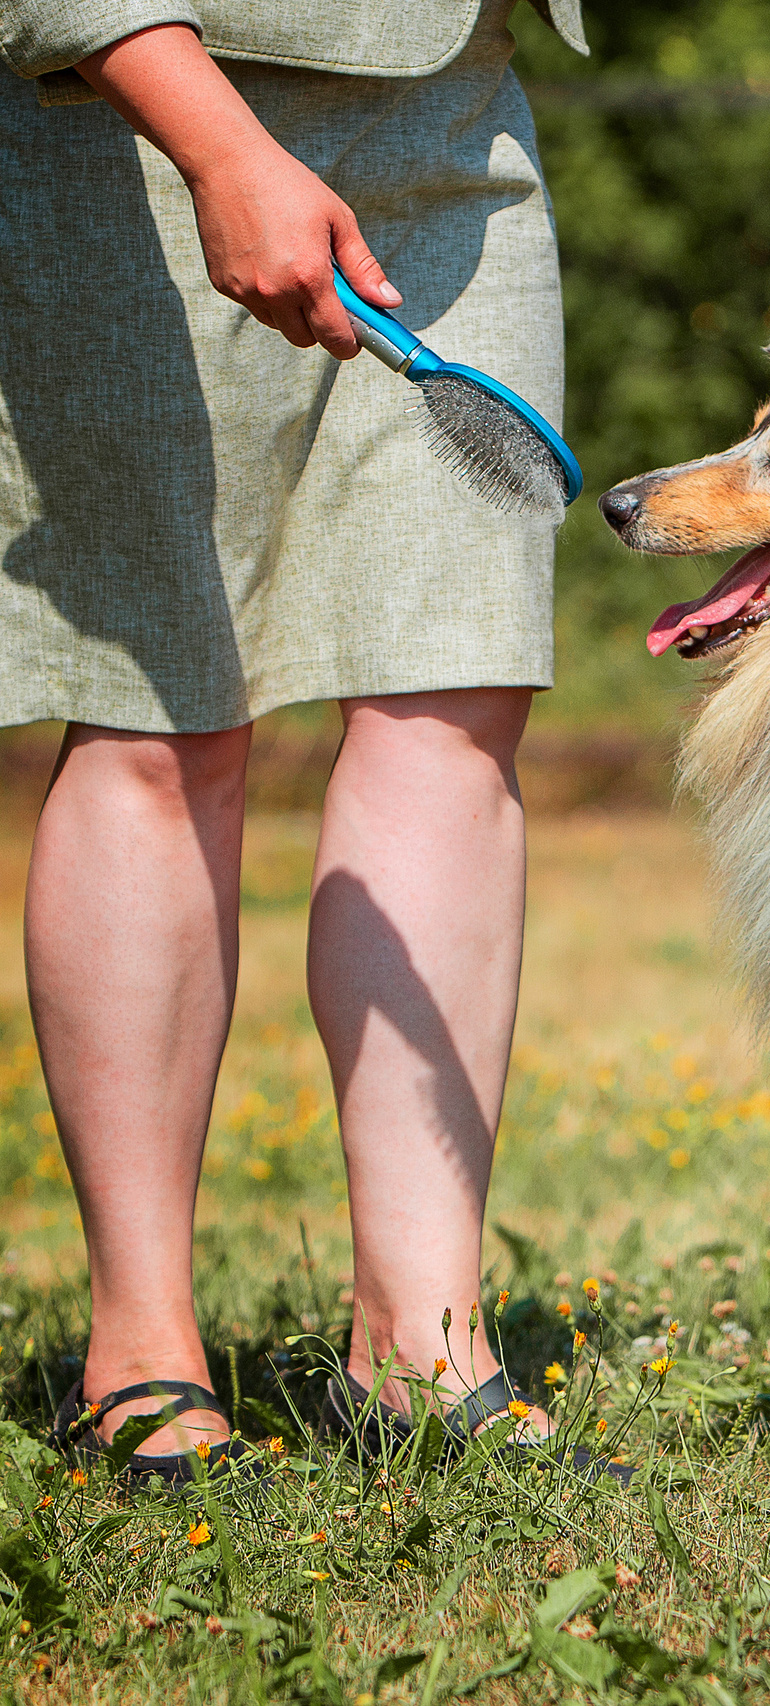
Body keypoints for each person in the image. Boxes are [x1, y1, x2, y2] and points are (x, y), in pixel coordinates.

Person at [0, 0, 586, 1480]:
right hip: (133, 121)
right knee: (162, 712)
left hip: (453, 111)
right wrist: (212, 141)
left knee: (455, 695)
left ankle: (421, 1341)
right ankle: (139, 1349)